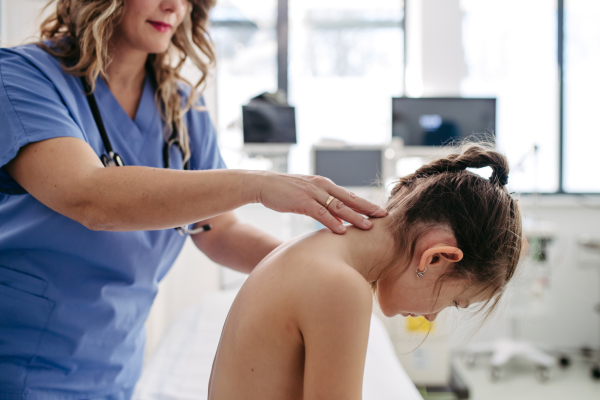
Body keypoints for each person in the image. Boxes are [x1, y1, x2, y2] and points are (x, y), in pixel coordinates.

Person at [0, 0, 388, 398]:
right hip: (19, 365)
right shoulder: (20, 76)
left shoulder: (180, 109)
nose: (174, 7)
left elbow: (218, 230)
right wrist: (259, 184)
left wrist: (325, 266)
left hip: (112, 369)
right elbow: (88, 196)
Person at [208, 144, 523, 400]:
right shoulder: (339, 287)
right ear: (437, 258)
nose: (430, 317)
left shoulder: (313, 252)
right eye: (454, 302)